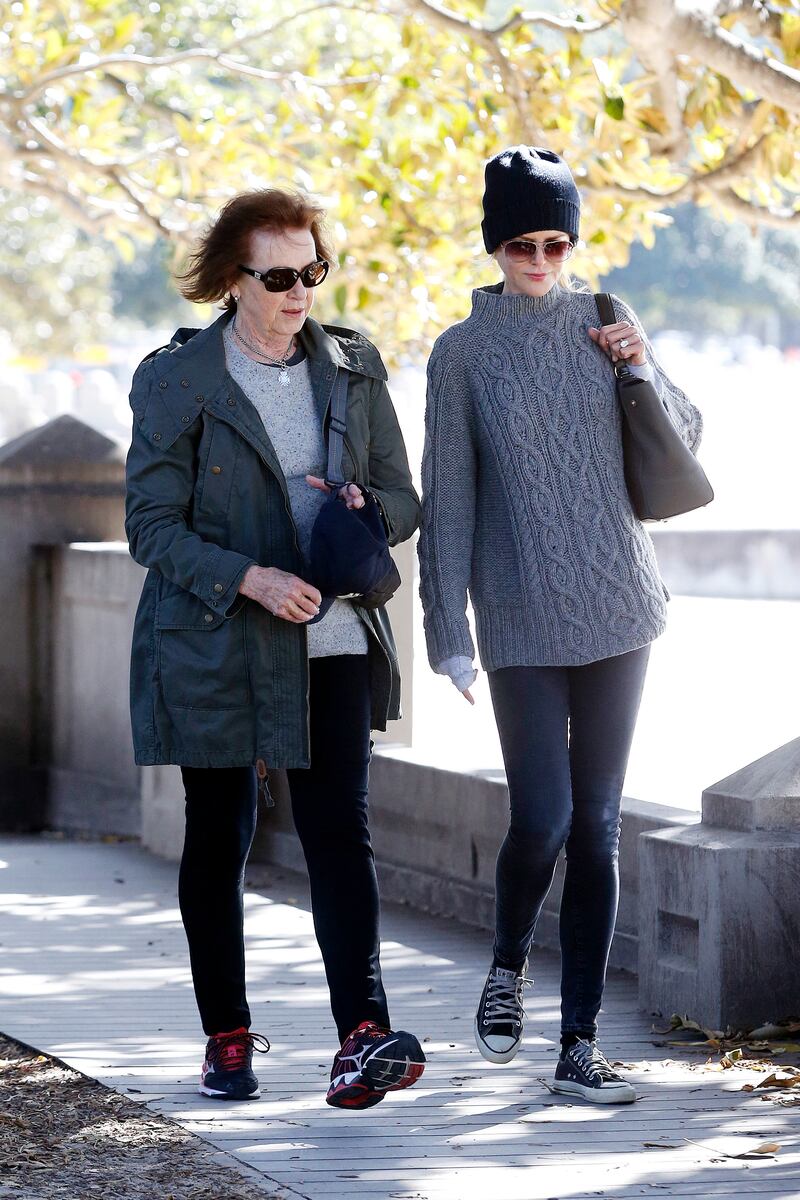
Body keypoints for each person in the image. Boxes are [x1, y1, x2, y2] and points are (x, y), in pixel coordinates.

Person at [125, 188, 425, 1108]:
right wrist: (249, 578)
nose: (302, 292)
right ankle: (228, 1039)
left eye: (314, 271)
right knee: (220, 835)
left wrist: (364, 513)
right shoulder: (177, 380)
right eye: (281, 276)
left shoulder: (353, 369)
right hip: (215, 638)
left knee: (341, 830)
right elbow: (149, 525)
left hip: (332, 635)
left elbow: (405, 502)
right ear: (233, 278)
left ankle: (362, 1036)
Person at [418, 146, 703, 1104]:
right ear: (496, 246)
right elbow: (448, 501)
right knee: (542, 817)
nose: (541, 259)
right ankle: (507, 964)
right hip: (520, 614)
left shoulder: (608, 319)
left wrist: (643, 363)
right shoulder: (462, 354)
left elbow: (685, 438)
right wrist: (445, 630)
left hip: (623, 602)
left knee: (602, 826)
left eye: (556, 241)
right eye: (522, 243)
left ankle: (577, 1045)